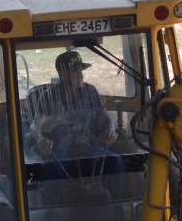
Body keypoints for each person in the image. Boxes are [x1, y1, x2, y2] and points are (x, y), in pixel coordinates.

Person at [26, 48, 123, 178]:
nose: (81, 75)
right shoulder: (48, 96)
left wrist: (111, 130)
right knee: (50, 173)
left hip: (88, 145)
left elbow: (107, 118)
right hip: (60, 149)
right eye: (75, 71)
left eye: (81, 70)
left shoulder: (90, 91)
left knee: (117, 162)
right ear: (62, 74)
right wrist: (41, 139)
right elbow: (34, 127)